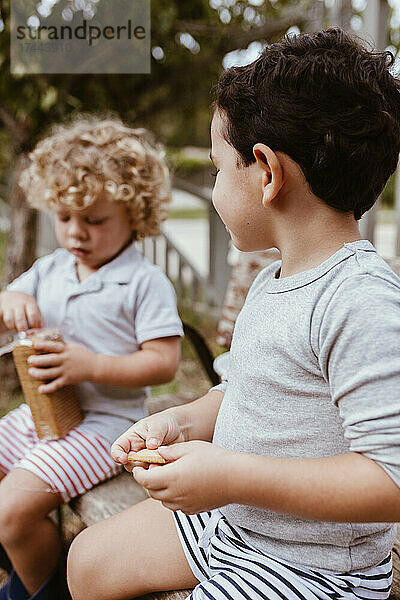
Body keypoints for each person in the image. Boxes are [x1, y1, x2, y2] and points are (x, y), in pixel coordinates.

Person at [67, 27, 400, 600]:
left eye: (220, 169)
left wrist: (226, 474)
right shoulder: (275, 280)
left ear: (267, 173)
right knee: (88, 562)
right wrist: (182, 423)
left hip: (313, 566)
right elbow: (241, 393)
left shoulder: (360, 300)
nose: (215, 187)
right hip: (236, 522)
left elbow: (390, 479)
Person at [0, 117, 183, 600]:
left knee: (11, 509)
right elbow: (7, 309)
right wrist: (10, 301)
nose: (76, 234)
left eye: (94, 220)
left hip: (105, 424)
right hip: (44, 413)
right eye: (64, 218)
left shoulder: (144, 283)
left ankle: (42, 592)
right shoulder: (51, 269)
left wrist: (90, 366)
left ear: (135, 214)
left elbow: (163, 363)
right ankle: (24, 557)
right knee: (11, 510)